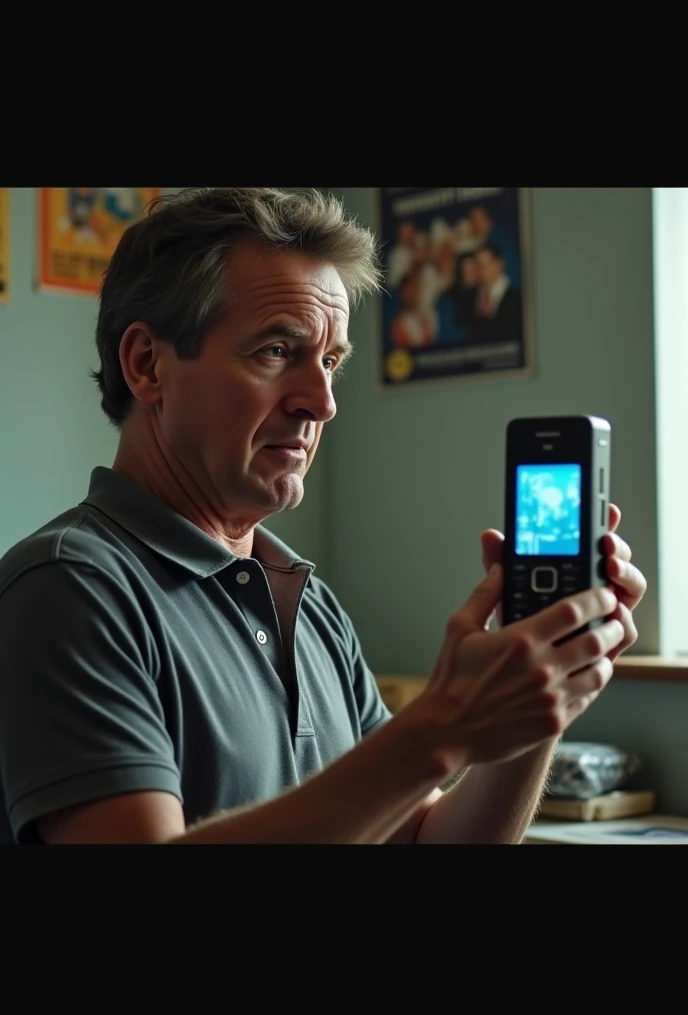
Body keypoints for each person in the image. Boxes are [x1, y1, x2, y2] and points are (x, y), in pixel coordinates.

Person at [0, 187, 646, 845]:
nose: (323, 402)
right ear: (147, 365)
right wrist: (440, 728)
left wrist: (539, 698)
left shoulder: (309, 606)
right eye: (277, 351)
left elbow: (421, 839)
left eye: (330, 361)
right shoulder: (67, 589)